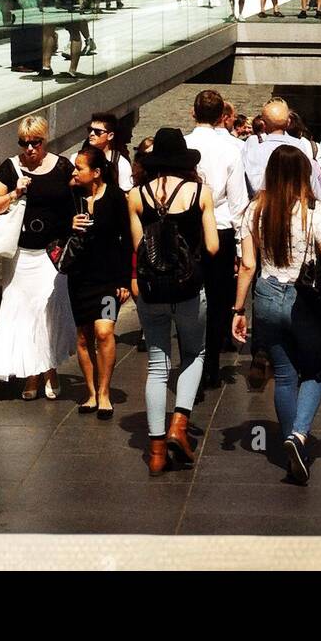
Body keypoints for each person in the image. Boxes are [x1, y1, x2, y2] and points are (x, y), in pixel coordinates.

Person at [231, 145, 321, 483]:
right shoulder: (312, 209)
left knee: (284, 374)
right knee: (316, 370)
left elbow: (248, 264)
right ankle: (299, 435)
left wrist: (238, 309)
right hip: (303, 300)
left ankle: (293, 447)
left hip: (266, 294)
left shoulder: (255, 209)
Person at [128, 127, 219, 473]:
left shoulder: (135, 196)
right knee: (194, 354)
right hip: (188, 290)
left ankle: (154, 453)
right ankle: (179, 424)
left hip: (152, 292)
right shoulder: (200, 192)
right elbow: (212, 246)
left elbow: (140, 249)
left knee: (156, 363)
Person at [0, 114, 77, 399]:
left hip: (52, 254)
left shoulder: (62, 166)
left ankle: (50, 369)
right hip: (21, 254)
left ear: (45, 140)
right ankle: (32, 376)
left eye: (36, 142)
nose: (30, 149)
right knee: (23, 313)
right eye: (24, 143)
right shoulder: (11, 167)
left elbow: (78, 200)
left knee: (47, 312)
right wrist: (15, 193)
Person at [185, 91, 250, 388]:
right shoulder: (233, 148)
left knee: (186, 296)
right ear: (222, 114)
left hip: (187, 228)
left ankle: (189, 360)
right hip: (221, 230)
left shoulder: (184, 144)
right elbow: (238, 202)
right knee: (217, 299)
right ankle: (210, 363)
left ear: (192, 112)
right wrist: (239, 246)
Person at [66, 143, 132, 416]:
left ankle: (105, 392)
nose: (74, 172)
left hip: (107, 278)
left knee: (104, 332)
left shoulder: (115, 197)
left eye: (79, 168)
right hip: (79, 278)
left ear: (95, 172)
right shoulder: (72, 196)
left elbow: (126, 238)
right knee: (83, 337)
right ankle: (91, 393)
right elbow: (55, 229)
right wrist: (67, 224)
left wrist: (125, 279)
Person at [242, 97, 321, 205]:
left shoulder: (252, 152)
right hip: (297, 212)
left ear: (263, 124)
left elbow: (244, 188)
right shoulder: (301, 147)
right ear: (288, 122)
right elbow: (313, 183)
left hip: (262, 212)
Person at [71, 111, 135, 190]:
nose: (91, 133)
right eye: (90, 129)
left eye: (98, 132)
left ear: (110, 136)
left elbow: (126, 194)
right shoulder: (75, 158)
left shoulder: (120, 163)